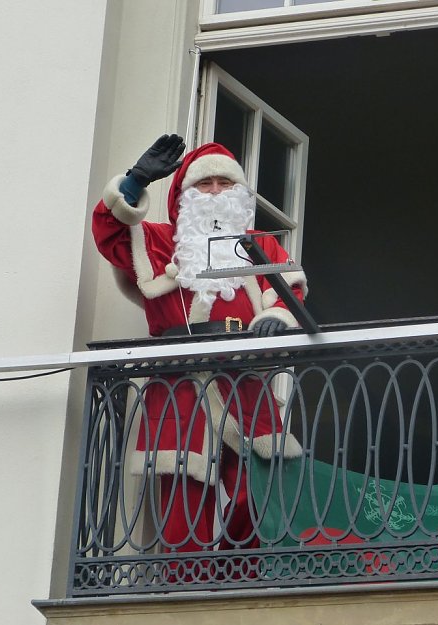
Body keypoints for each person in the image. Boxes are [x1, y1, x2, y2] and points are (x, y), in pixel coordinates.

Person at [92, 134, 306, 555]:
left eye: (224, 185)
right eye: (203, 185)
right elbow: (110, 232)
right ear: (184, 195)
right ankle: (183, 595)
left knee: (263, 493)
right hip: (179, 388)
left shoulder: (260, 245)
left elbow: (290, 291)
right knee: (182, 513)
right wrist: (135, 182)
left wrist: (274, 318)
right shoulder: (159, 241)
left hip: (246, 384)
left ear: (238, 193)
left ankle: (237, 578)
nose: (213, 193)